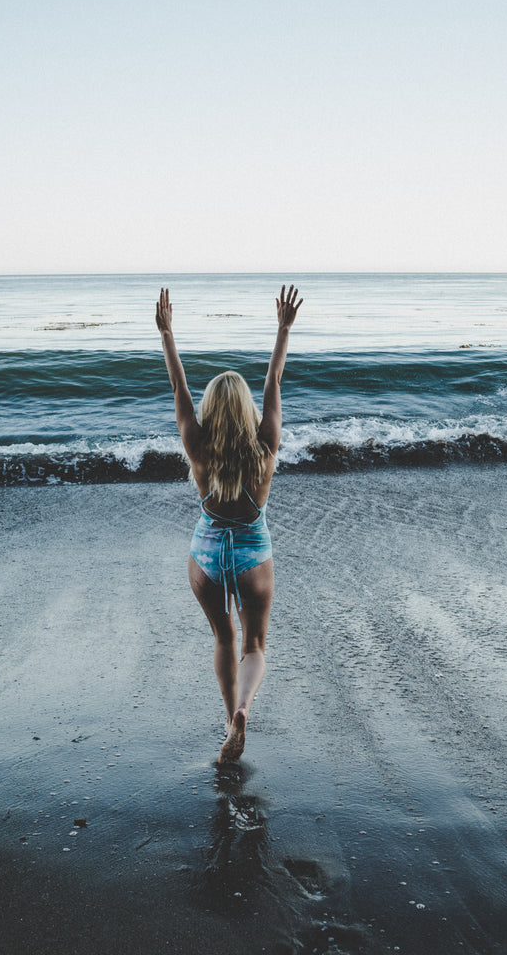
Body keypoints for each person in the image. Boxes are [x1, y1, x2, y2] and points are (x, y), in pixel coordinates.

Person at [155, 284, 303, 763]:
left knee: (223, 637)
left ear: (211, 410)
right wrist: (282, 330)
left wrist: (167, 334)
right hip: (252, 552)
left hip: (207, 550)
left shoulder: (197, 446)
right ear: (245, 410)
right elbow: (274, 383)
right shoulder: (265, 446)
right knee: (254, 645)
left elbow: (178, 388)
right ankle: (244, 708)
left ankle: (226, 719)